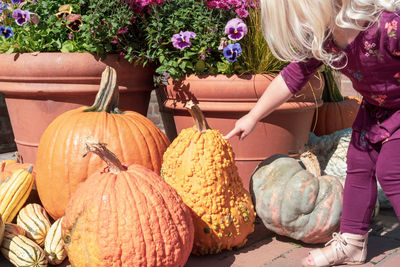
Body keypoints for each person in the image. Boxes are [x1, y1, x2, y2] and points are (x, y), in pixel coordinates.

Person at [223, 0, 400, 266]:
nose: (301, 28)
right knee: (359, 165)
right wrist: (253, 116)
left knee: (391, 170)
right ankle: (352, 243)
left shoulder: (387, 26)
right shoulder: (326, 39)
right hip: (376, 108)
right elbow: (292, 76)